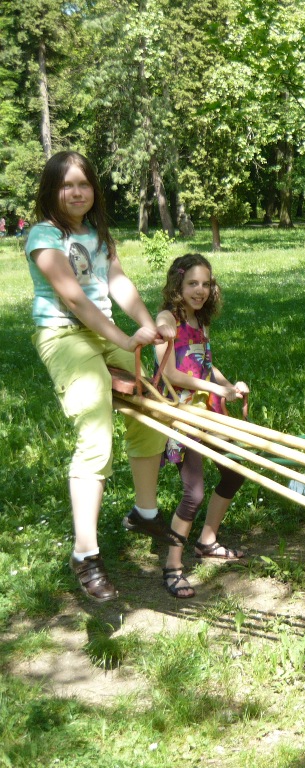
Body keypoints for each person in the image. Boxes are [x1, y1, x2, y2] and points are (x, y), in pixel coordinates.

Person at [25, 150, 182, 602]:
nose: (77, 192)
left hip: (105, 332)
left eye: (84, 184)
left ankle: (144, 513)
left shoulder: (98, 235)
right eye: (67, 185)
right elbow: (74, 299)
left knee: (153, 408)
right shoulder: (43, 236)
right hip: (64, 335)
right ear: (51, 191)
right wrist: (124, 338)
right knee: (95, 429)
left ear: (94, 189)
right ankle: (85, 553)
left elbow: (119, 284)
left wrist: (148, 325)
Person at [154, 253, 249, 598]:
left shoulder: (200, 321)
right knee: (192, 493)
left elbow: (206, 365)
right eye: (192, 283)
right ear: (177, 284)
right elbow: (170, 373)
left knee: (234, 472)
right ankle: (173, 566)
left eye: (206, 284)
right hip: (182, 413)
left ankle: (207, 541)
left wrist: (229, 386)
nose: (200, 290)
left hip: (209, 410)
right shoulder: (168, 319)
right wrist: (214, 388)